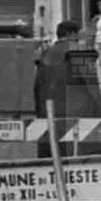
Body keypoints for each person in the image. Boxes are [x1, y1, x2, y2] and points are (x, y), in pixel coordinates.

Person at [33, 19, 80, 159]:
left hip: (47, 110)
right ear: (71, 34)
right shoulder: (78, 51)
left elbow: (36, 84)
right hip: (74, 112)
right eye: (77, 34)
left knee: (50, 154)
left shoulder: (44, 54)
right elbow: (93, 86)